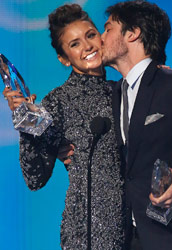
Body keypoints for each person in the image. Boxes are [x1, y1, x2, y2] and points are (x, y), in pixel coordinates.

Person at [3, 4, 125, 250]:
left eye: (91, 35)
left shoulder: (125, 90)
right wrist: (26, 122)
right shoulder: (58, 102)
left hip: (136, 226)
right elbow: (35, 178)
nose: (88, 46)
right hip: (88, 233)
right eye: (75, 44)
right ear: (63, 58)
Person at [101, 1, 172, 250]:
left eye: (108, 29)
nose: (100, 39)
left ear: (132, 33)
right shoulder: (113, 94)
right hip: (130, 239)